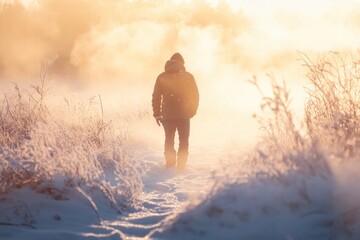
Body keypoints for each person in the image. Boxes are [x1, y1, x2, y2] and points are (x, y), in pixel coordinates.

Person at [152, 53, 199, 170]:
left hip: (167, 115)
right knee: (184, 140)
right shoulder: (188, 76)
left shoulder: (161, 77)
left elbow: (156, 97)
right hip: (184, 114)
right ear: (182, 63)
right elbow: (195, 96)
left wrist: (157, 114)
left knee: (169, 139)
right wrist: (192, 111)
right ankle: (181, 166)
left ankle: (170, 165)